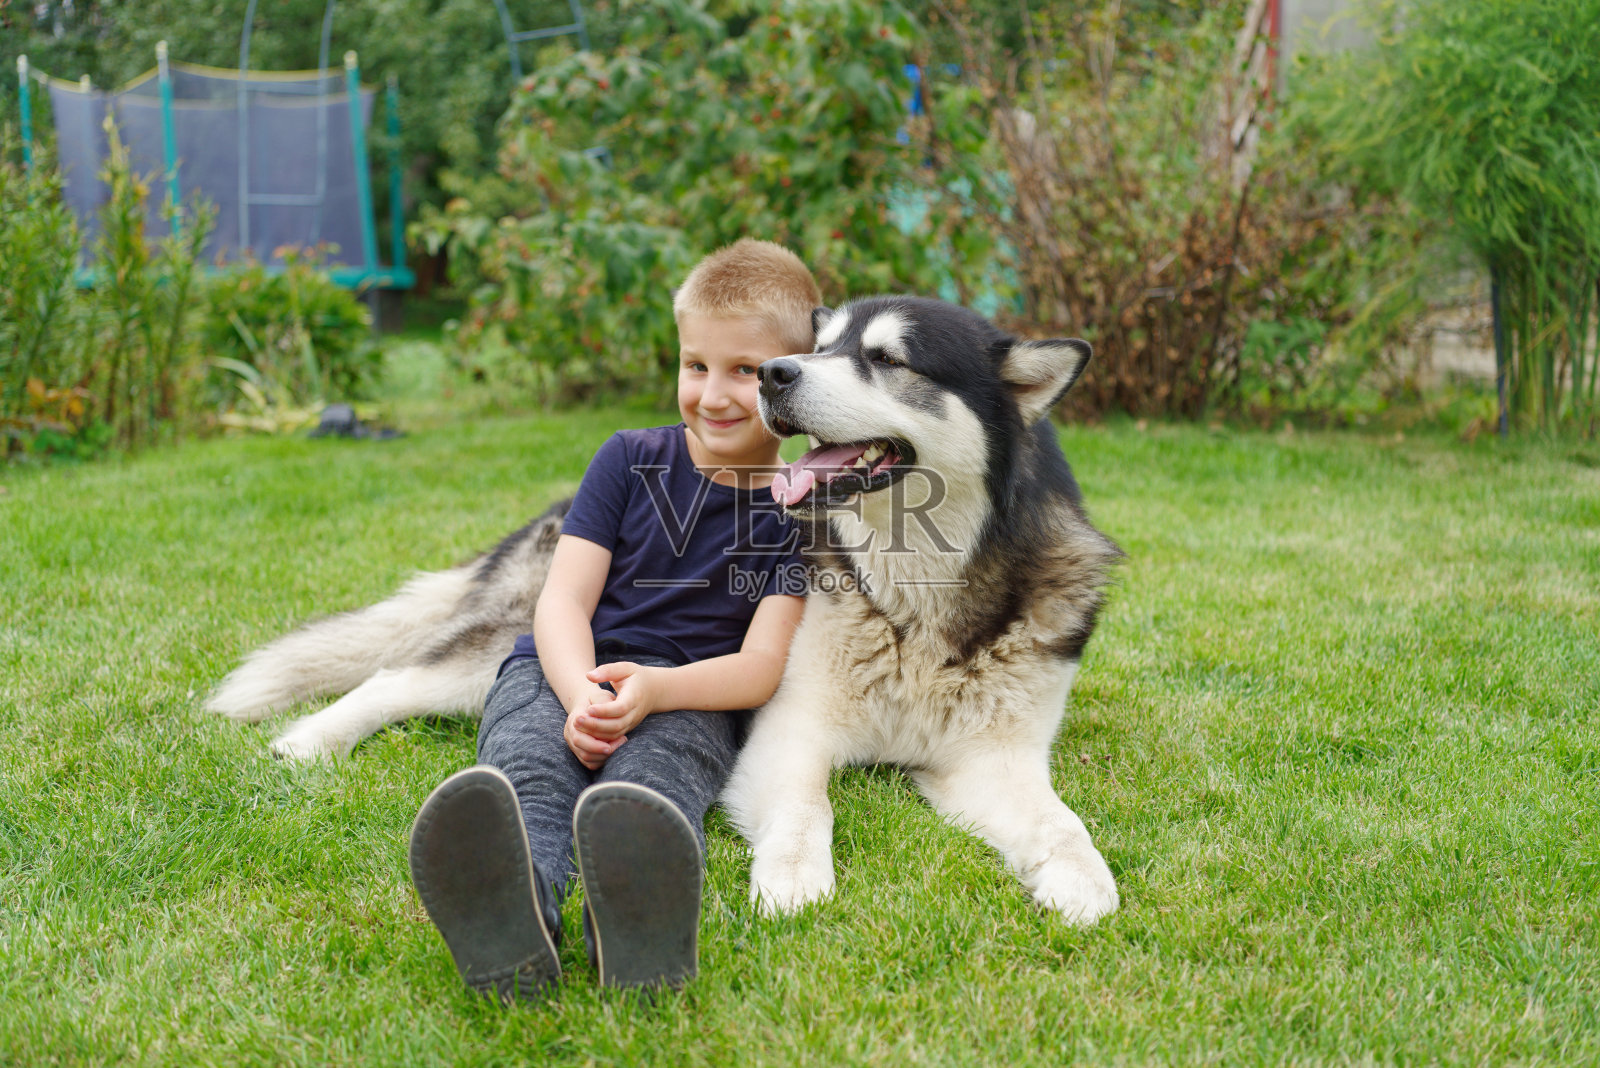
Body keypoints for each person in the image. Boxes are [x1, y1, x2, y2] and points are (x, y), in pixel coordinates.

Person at [407, 239, 818, 1002]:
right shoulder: (629, 460)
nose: (715, 393)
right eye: (696, 365)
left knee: (651, 789)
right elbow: (562, 601)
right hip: (559, 672)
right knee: (528, 772)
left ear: (794, 382)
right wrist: (578, 694)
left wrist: (658, 691)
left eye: (746, 372)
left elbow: (761, 666)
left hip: (691, 698)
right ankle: (512, 908)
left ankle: (635, 929)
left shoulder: (797, 508)